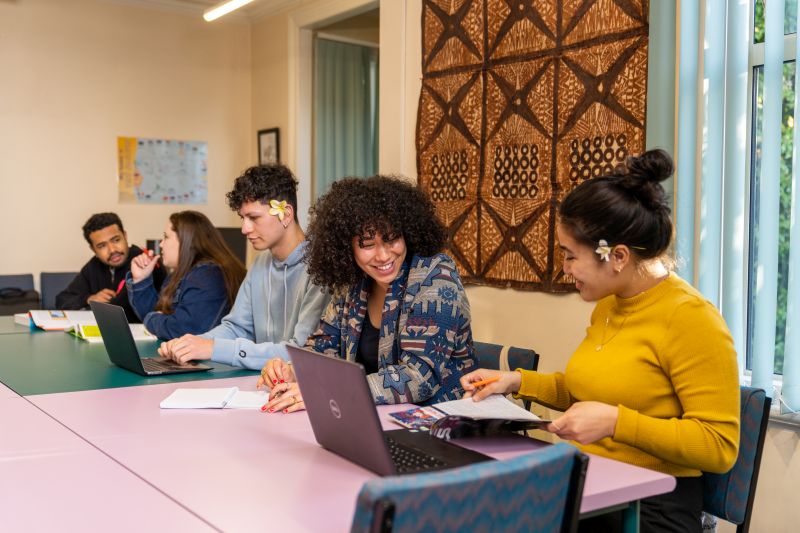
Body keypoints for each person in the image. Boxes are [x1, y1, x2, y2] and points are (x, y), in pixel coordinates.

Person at [459, 150, 740, 533]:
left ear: (618, 256)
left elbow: (719, 445)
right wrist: (516, 381)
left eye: (571, 256)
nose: (564, 269)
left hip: (651, 506)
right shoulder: (610, 304)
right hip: (592, 482)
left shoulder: (692, 320)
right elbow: (585, 390)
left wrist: (616, 423)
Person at [262, 175, 478, 414]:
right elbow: (325, 347)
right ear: (346, 246)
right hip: (374, 419)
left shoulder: (436, 277)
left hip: (441, 424)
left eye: (392, 239)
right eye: (367, 244)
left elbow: (419, 378)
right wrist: (294, 370)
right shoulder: (354, 283)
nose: (383, 256)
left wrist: (335, 389)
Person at [157, 164, 329, 369]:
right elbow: (236, 327)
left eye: (254, 218)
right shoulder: (260, 264)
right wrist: (191, 344)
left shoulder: (322, 268)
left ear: (286, 214)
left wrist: (212, 348)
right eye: (243, 218)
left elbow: (299, 352)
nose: (245, 229)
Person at [127, 210, 246, 340]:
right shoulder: (179, 273)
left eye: (166, 237)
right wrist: (141, 280)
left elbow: (183, 330)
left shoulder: (208, 275)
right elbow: (156, 312)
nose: (161, 244)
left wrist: (152, 319)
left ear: (187, 240)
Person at [56, 212, 165, 322]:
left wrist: (93, 305)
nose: (112, 250)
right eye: (102, 246)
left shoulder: (144, 262)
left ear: (125, 236)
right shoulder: (94, 265)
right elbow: (62, 300)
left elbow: (122, 310)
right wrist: (89, 299)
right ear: (93, 250)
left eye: (116, 240)